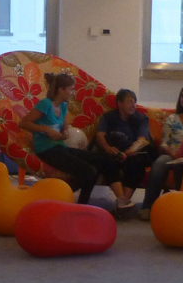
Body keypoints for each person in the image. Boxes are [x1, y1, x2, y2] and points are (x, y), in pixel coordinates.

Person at [17, 72, 117, 206]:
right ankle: (62, 197)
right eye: (71, 89)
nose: (73, 93)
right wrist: (46, 129)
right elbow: (23, 123)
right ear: (61, 90)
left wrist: (64, 134)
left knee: (101, 160)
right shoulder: (45, 104)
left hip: (60, 147)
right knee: (89, 171)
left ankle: (79, 202)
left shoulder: (63, 106)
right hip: (46, 150)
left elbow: (64, 129)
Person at [141, 84, 183, 219]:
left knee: (181, 167)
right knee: (159, 164)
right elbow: (164, 144)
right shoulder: (173, 118)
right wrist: (174, 154)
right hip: (172, 154)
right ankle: (147, 207)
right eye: (182, 96)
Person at [94, 88, 155, 211]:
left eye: (134, 102)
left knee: (136, 164)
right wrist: (107, 148)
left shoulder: (141, 119)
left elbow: (142, 140)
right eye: (129, 102)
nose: (133, 105)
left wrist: (131, 150)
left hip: (135, 153)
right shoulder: (108, 117)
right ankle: (122, 200)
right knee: (107, 161)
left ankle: (123, 202)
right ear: (119, 103)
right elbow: (100, 135)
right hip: (113, 151)